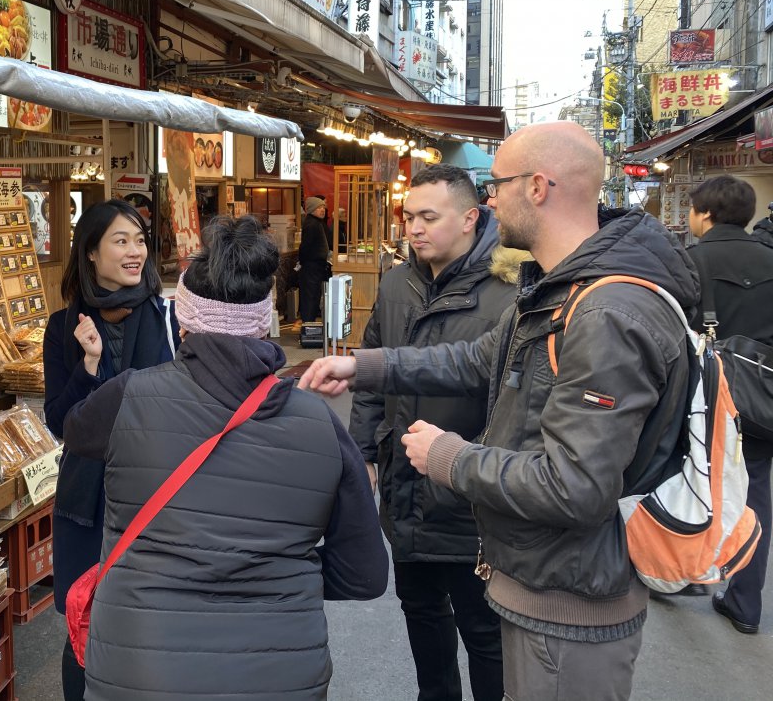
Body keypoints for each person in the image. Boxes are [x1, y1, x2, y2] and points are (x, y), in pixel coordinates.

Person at [299, 122, 698, 701]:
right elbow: (474, 360)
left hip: (570, 595)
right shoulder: (559, 290)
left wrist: (450, 457)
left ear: (538, 187)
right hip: (540, 581)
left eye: (497, 183)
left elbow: (575, 486)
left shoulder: (603, 311)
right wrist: (367, 367)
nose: (489, 200)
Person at [63, 215, 388, 700]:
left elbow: (74, 429)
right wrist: (277, 569)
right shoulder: (321, 425)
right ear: (267, 319)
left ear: (183, 319)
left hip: (141, 670)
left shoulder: (127, 398)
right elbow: (364, 575)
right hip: (279, 676)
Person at [349, 164, 522, 701]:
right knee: (420, 610)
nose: (414, 229)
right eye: (408, 217)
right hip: (403, 480)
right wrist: (364, 453)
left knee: (483, 628)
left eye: (429, 217)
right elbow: (372, 377)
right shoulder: (399, 280)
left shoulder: (512, 285)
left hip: (469, 488)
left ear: (471, 218)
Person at [43, 199, 179, 701]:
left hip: (153, 498)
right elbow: (60, 422)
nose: (135, 251)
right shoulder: (63, 328)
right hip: (85, 500)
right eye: (121, 240)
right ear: (92, 253)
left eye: (140, 240)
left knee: (148, 626)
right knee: (83, 626)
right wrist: (90, 365)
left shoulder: (168, 317)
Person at [686, 176, 773, 635]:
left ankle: (676, 570)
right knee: (754, 490)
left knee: (683, 479)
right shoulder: (771, 259)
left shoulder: (690, 260)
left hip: (703, 396)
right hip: (763, 400)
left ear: (705, 214)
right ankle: (745, 601)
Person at [296, 196, 331, 327]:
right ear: (311, 210)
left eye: (323, 207)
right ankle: (308, 327)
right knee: (310, 298)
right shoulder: (311, 224)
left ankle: (309, 325)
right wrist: (303, 262)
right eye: (319, 207)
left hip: (316, 266)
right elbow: (305, 247)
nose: (322, 210)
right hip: (311, 267)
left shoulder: (317, 222)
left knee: (313, 296)